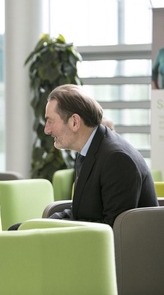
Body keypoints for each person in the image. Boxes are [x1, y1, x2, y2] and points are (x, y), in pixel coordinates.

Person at [43, 84, 158, 227]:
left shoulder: (117, 160)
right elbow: (83, 212)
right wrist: (45, 224)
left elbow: (112, 230)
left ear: (74, 122)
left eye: (50, 121)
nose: (47, 130)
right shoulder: (88, 149)